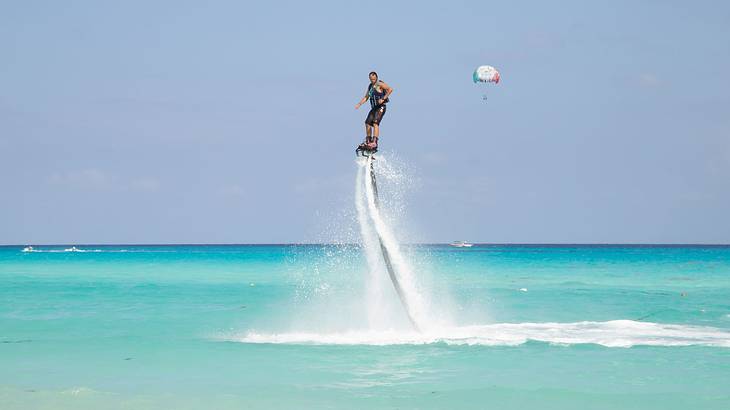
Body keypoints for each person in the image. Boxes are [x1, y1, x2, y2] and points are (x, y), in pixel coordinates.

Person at [355, 71, 393, 152]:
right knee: (367, 123)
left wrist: (383, 98)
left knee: (375, 122)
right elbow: (366, 97)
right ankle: (368, 141)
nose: (373, 80)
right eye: (371, 79)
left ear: (376, 78)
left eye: (374, 79)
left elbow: (390, 89)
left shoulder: (379, 84)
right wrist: (359, 104)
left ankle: (375, 142)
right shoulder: (370, 86)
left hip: (381, 107)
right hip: (374, 108)